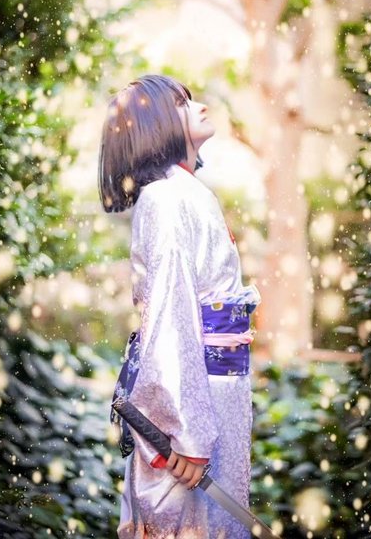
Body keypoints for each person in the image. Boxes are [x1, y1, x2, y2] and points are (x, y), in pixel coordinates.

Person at [98, 74, 261, 539]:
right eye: (181, 103)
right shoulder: (166, 199)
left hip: (214, 392)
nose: (200, 105)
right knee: (188, 524)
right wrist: (183, 430)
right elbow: (171, 315)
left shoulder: (183, 192)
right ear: (155, 125)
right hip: (195, 403)